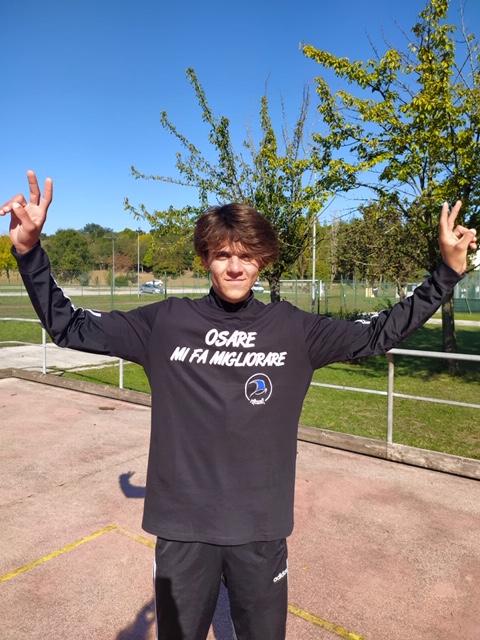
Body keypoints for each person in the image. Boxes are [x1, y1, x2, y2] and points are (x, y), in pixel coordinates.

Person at [1, 171, 477, 640]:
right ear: (206, 258)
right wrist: (29, 252)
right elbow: (70, 327)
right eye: (223, 254)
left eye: (247, 256)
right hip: (183, 529)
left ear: (262, 261)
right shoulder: (166, 323)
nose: (235, 267)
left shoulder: (294, 330)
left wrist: (447, 273)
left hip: (260, 528)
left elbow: (379, 333)